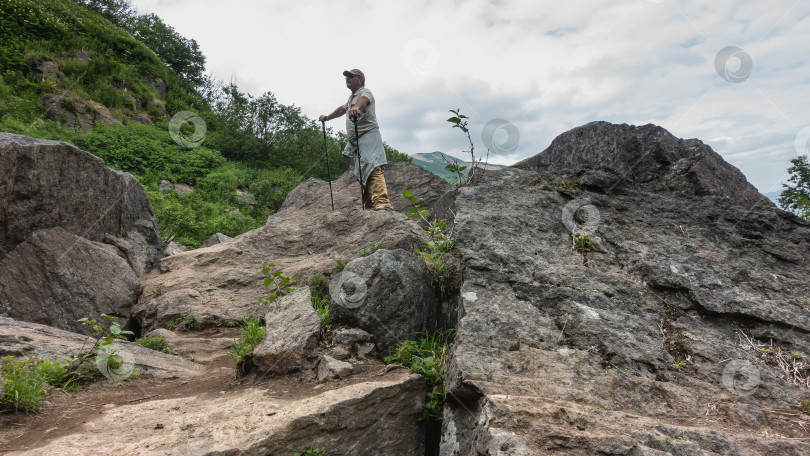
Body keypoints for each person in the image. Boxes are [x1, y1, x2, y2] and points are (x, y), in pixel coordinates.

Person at [319, 69, 393, 210]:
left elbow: (364, 100)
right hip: (356, 141)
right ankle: (370, 205)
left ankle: (382, 202)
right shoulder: (351, 98)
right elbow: (342, 109)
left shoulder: (365, 92)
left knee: (372, 167)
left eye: (351, 76)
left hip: (368, 135)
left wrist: (357, 107)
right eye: (346, 77)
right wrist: (327, 117)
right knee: (363, 171)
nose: (347, 78)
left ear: (360, 79)